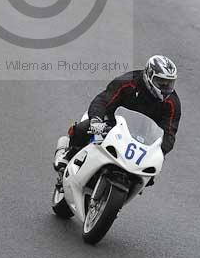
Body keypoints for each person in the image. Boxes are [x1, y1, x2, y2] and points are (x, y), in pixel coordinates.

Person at [54, 55, 181, 186]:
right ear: (149, 76)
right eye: (161, 82)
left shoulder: (172, 102)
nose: (166, 87)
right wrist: (96, 121)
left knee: (150, 175)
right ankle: (67, 155)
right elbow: (103, 100)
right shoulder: (128, 82)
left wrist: (159, 150)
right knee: (82, 129)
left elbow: (169, 132)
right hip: (112, 124)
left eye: (170, 83)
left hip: (142, 137)